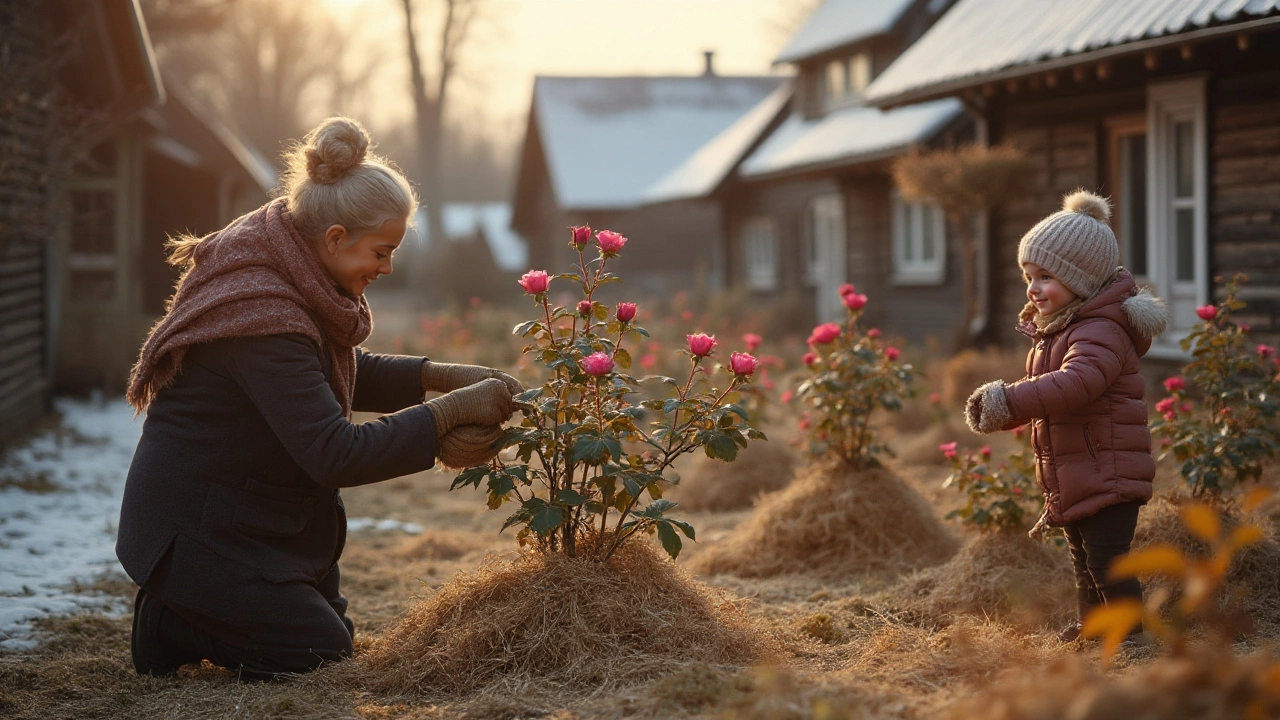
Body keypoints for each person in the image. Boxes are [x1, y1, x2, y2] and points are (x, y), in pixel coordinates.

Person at [116, 116, 521, 679]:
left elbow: (338, 372)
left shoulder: (287, 267)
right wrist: (442, 419)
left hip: (245, 516)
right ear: (334, 239)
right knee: (317, 654)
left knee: (333, 639)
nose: (387, 267)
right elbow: (334, 452)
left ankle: (194, 615)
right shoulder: (259, 315)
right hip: (193, 532)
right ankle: (171, 622)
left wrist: (439, 375)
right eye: (380, 252)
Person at [963, 189, 1168, 643]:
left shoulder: (1101, 330)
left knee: (1107, 562)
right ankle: (1095, 628)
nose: (1033, 288)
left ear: (1082, 279)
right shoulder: (1064, 326)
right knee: (1082, 560)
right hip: (1080, 471)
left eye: (1046, 277)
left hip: (1108, 471)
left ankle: (1133, 637)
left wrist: (1009, 402)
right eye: (1028, 276)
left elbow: (1077, 384)